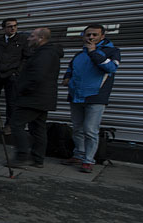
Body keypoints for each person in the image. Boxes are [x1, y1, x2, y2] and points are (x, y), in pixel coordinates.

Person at [62, 24, 120, 173]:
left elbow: (111, 68)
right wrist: (67, 78)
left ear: (102, 36)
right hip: (76, 96)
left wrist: (94, 52)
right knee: (77, 129)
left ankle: (88, 160)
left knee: (90, 130)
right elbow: (70, 68)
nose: (91, 38)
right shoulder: (79, 54)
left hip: (95, 97)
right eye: (88, 35)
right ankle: (79, 155)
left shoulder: (111, 51)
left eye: (95, 35)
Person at [8, 28, 63, 168]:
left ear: (41, 38)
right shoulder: (46, 53)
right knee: (38, 128)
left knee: (16, 124)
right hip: (41, 98)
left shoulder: (45, 54)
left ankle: (21, 156)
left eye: (32, 36)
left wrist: (22, 89)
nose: (28, 39)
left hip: (33, 98)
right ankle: (37, 159)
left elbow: (36, 76)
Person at [0, 18, 26, 135]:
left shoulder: (22, 40)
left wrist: (17, 72)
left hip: (12, 76)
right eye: (9, 26)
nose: (13, 28)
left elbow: (26, 57)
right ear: (3, 28)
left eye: (15, 26)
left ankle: (9, 125)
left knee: (11, 101)